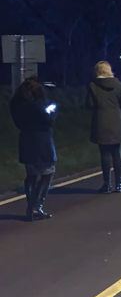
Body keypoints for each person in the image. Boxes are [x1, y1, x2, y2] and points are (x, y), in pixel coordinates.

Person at [10, 77, 57, 221]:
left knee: (31, 174)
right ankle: (37, 205)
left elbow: (17, 122)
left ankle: (31, 205)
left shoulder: (16, 104)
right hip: (42, 141)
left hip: (26, 140)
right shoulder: (39, 104)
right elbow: (48, 120)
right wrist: (52, 112)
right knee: (47, 172)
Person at [86, 61, 121, 194]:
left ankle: (107, 184)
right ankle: (119, 183)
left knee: (104, 154)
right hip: (116, 121)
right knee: (117, 153)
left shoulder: (93, 86)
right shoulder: (118, 84)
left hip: (101, 122)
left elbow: (89, 104)